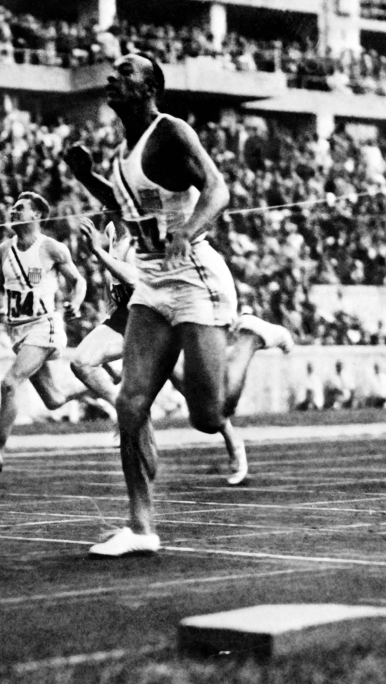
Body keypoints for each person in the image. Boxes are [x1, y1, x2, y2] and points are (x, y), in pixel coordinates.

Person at [62, 52, 259, 557]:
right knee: (130, 404)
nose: (113, 77)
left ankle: (252, 338)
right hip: (151, 283)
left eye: (126, 72)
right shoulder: (122, 155)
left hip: (195, 278)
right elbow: (129, 211)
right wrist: (87, 177)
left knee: (208, 417)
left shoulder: (171, 132)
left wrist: (189, 232)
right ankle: (141, 525)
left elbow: (218, 189)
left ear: (150, 87)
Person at [76, 217, 293, 486]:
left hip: (158, 315)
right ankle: (125, 412)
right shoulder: (111, 230)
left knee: (201, 402)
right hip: (127, 315)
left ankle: (234, 444)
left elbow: (134, 278)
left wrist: (98, 252)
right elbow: (115, 283)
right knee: (82, 361)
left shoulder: (142, 236)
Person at [0, 192, 90, 475]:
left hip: (46, 326)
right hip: (19, 332)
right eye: (13, 207)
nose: (13, 211)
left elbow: (78, 281)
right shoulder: (4, 250)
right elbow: (1, 290)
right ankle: (97, 386)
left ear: (37, 215)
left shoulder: (52, 248)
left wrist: (76, 303)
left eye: (21, 208)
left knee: (10, 383)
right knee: (54, 399)